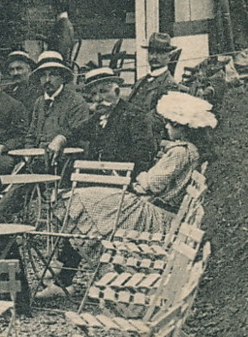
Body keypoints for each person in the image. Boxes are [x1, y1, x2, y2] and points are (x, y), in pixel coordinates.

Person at [37, 91, 215, 300]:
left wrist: (142, 177)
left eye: (170, 125)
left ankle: (65, 276)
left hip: (155, 214)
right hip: (158, 209)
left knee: (85, 206)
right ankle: (64, 275)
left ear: (182, 129)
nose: (166, 128)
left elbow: (154, 183)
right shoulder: (189, 150)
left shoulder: (180, 152)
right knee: (89, 206)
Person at [82, 66, 159, 171]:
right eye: (94, 94)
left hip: (124, 177)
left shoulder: (134, 115)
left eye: (103, 91)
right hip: (97, 176)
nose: (98, 99)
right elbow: (76, 132)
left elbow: (144, 154)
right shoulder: (97, 117)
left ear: (117, 92)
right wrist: (61, 139)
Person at [25, 51, 92, 157]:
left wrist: (60, 140)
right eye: (43, 75)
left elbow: (78, 133)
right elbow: (31, 135)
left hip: (64, 157)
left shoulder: (76, 101)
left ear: (63, 77)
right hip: (39, 157)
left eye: (53, 75)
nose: (47, 80)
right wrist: (28, 154)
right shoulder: (39, 102)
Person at [129, 32, 182, 138]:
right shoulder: (141, 81)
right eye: (151, 52)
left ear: (170, 56)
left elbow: (159, 119)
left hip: (150, 138)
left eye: (160, 53)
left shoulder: (170, 85)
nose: (154, 57)